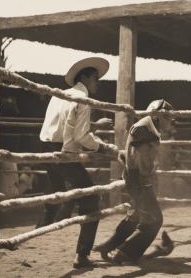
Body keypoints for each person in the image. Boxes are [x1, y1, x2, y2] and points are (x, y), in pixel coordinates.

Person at [39, 57, 117, 268]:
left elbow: (65, 124)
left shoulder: (59, 95)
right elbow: (81, 136)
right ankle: (82, 255)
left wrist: (92, 126)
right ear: (84, 77)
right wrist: (104, 147)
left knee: (58, 194)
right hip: (63, 151)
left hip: (46, 147)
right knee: (91, 199)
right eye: (95, 78)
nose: (97, 82)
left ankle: (38, 230)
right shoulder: (83, 99)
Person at [93, 99, 176, 264]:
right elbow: (138, 160)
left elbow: (128, 155)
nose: (170, 121)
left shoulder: (147, 127)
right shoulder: (145, 129)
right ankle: (125, 253)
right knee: (154, 219)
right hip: (139, 179)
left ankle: (109, 245)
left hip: (136, 178)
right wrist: (146, 183)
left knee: (137, 216)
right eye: (167, 117)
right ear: (157, 116)